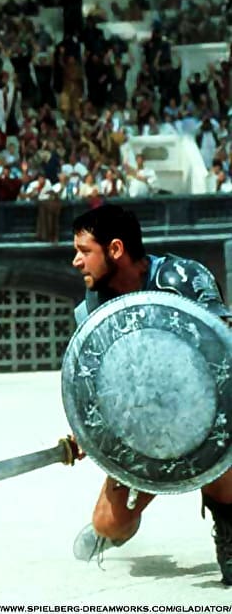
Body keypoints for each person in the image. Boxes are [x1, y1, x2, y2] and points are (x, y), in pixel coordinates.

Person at [70, 204, 232, 584]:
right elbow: (95, 384)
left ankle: (228, 528)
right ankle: (112, 531)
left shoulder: (183, 278)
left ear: (115, 249)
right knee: (110, 523)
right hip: (144, 431)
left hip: (208, 418)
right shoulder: (94, 309)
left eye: (84, 250)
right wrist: (88, 434)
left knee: (222, 459)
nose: (76, 261)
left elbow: (223, 350)